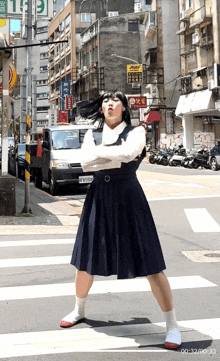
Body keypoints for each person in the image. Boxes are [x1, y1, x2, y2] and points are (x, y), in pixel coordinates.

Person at [60, 91, 181, 350]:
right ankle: (78, 309)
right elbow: (84, 163)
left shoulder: (136, 132)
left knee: (150, 262)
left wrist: (101, 154)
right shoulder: (91, 134)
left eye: (115, 100)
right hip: (99, 197)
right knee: (86, 260)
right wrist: (110, 155)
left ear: (124, 108)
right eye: (105, 101)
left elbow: (128, 154)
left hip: (129, 197)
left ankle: (172, 325)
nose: (109, 103)